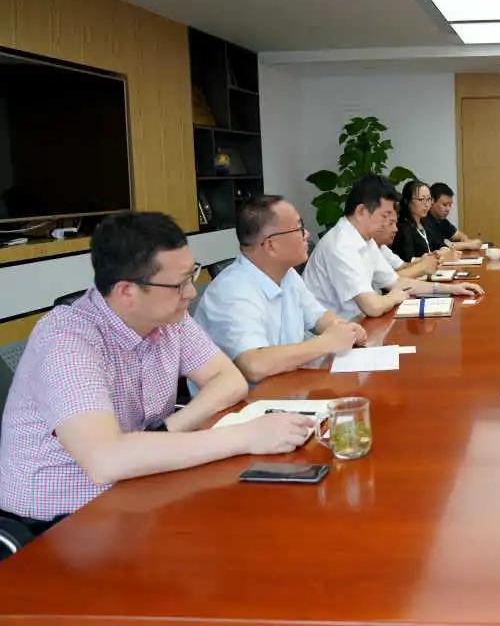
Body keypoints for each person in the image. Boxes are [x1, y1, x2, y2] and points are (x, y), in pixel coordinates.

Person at [0, 212, 312, 532]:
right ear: (127, 292)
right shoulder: (66, 340)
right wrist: (246, 436)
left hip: (138, 485)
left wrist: (168, 429)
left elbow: (229, 380)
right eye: (179, 284)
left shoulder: (167, 318)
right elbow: (105, 460)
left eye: (192, 275)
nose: (191, 293)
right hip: (59, 520)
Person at [194, 196, 367, 386]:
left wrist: (345, 329)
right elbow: (254, 365)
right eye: (299, 229)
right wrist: (326, 343)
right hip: (247, 400)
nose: (307, 234)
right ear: (271, 245)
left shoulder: (286, 274)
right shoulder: (232, 291)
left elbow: (319, 317)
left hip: (286, 387)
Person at [304, 175, 484, 319]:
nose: (389, 224)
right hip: (331, 342)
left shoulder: (365, 240)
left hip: (356, 328)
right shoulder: (341, 245)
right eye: (385, 216)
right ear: (361, 211)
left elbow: (396, 282)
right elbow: (372, 306)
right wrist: (394, 297)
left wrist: (452, 289)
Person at [391, 180, 453, 264]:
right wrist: (433, 257)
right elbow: (407, 260)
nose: (426, 204)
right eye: (421, 199)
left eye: (428, 199)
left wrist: (439, 253)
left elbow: (443, 246)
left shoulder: (425, 223)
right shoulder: (403, 228)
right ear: (407, 201)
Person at [375, 210, 439, 279]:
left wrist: (423, 260)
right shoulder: (369, 249)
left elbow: (402, 266)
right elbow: (389, 280)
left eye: (395, 224)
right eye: (390, 224)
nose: (396, 229)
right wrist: (422, 267)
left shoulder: (382, 247)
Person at [423, 182, 483, 251]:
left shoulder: (442, 220)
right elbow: (440, 247)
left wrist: (466, 240)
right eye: (444, 204)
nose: (448, 209)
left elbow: (459, 235)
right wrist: (469, 245)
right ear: (432, 201)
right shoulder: (424, 220)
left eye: (450, 205)